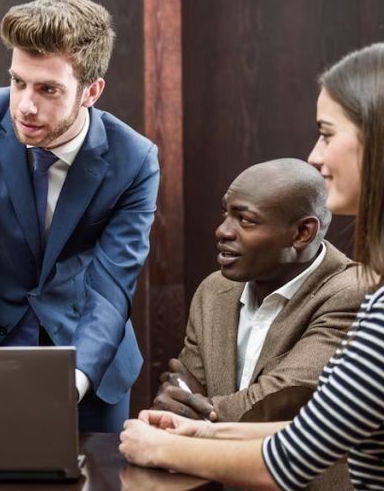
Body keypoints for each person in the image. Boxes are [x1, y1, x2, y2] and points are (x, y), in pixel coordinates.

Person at [120, 41, 384, 489]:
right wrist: (204, 431)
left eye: (327, 134)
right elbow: (323, 431)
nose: (315, 156)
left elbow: (290, 462)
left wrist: (158, 446)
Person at [0, 0, 160, 432]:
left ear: (92, 91)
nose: (25, 106)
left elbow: (111, 287)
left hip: (88, 363)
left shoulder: (136, 160)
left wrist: (72, 382)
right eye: (18, 82)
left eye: (48, 89)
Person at [153, 158, 364, 425]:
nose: (222, 231)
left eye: (245, 220)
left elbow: (278, 405)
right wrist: (179, 401)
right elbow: (182, 387)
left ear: (302, 233)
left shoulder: (352, 293)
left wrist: (195, 417)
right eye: (225, 214)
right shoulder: (214, 290)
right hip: (205, 466)